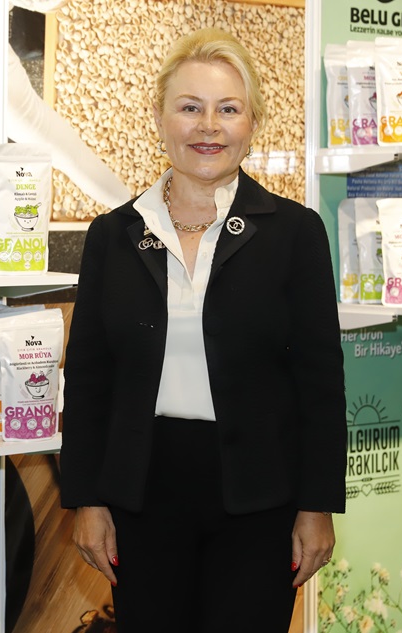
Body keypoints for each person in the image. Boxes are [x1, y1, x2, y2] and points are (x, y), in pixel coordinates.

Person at [59, 28, 347, 632]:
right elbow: (88, 380)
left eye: (228, 109)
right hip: (141, 495)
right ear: (160, 119)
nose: (209, 127)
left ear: (252, 123)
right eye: (190, 107)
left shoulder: (295, 233)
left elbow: (321, 383)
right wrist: (86, 497)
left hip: (260, 498)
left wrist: (318, 505)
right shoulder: (113, 236)